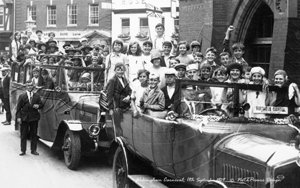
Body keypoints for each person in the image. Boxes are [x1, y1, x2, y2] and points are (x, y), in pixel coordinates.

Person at [17, 81, 44, 156]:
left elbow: (41, 104)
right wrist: (19, 117)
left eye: (31, 86)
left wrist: (38, 106)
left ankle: (33, 150)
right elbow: (18, 108)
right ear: (26, 86)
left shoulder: (36, 96)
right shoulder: (22, 96)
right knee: (23, 134)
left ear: (33, 87)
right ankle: (23, 150)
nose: (30, 87)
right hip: (24, 117)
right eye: (28, 85)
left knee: (34, 134)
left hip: (34, 117)